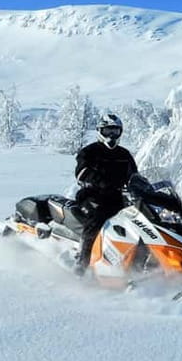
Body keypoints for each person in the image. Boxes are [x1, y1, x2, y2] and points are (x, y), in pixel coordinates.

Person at [72, 113, 138, 276]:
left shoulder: (124, 155)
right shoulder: (90, 151)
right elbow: (81, 172)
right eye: (108, 131)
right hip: (91, 196)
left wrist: (141, 187)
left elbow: (134, 176)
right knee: (97, 219)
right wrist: (99, 181)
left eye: (115, 131)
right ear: (100, 131)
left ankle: (130, 263)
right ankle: (82, 263)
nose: (112, 135)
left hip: (117, 198)